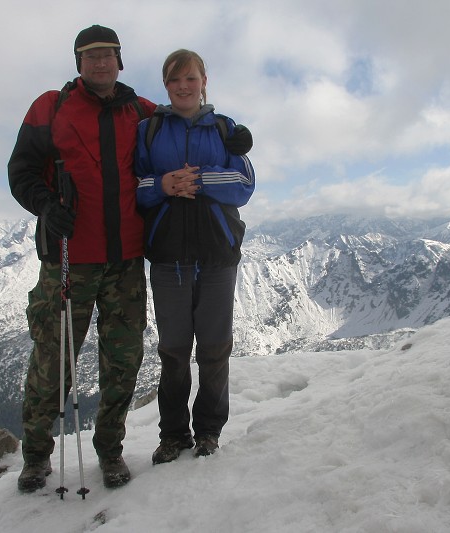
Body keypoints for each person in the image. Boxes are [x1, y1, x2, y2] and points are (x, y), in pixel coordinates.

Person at [8, 24, 157, 493]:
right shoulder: (50, 107)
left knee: (123, 362)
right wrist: (47, 207)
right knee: (53, 363)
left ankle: (109, 451)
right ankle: (35, 458)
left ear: (120, 60)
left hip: (127, 261)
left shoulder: (143, 112)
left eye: (107, 54)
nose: (99, 63)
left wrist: (227, 134)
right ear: (78, 63)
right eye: (90, 56)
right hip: (68, 259)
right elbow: (21, 170)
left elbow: (188, 122)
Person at [134, 49, 256, 464]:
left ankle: (208, 431)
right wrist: (163, 185)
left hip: (217, 255)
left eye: (190, 78)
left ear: (204, 81)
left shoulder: (225, 129)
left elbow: (243, 182)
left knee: (214, 347)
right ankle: (173, 435)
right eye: (174, 80)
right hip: (169, 256)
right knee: (173, 349)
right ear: (165, 85)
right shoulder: (148, 130)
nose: (183, 86)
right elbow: (134, 185)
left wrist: (198, 179)